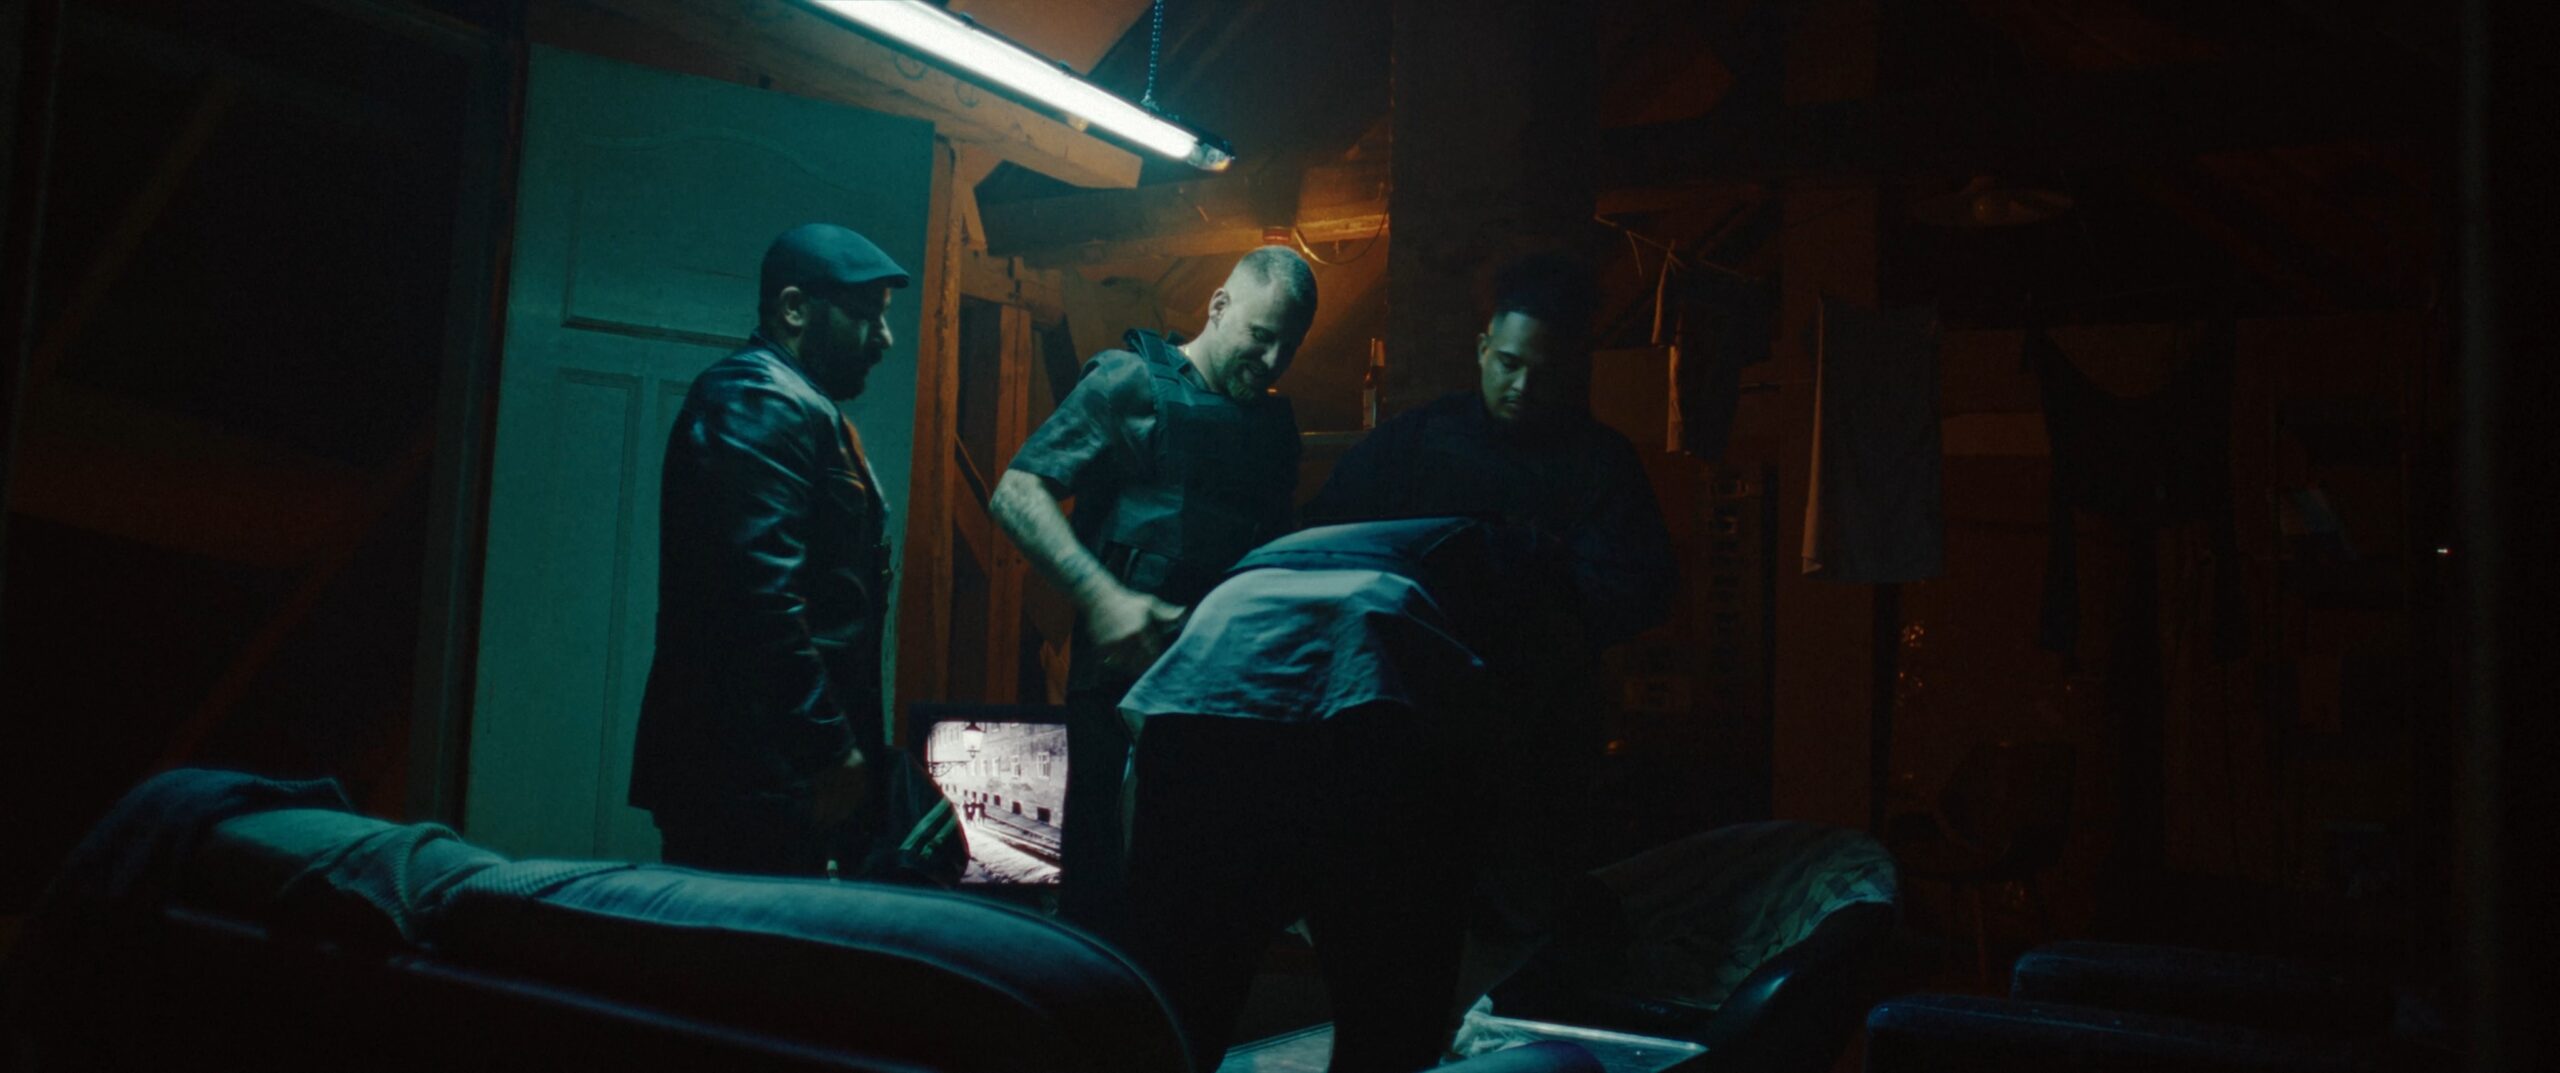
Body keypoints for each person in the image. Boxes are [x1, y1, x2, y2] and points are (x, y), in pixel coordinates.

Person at [1302, 252, 1679, 1021]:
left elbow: (1644, 590)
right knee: (1410, 937)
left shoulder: (1599, 463)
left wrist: (1531, 590)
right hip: (1418, 740)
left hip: (1542, 746)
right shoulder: (1415, 443)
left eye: (1543, 371)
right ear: (1482, 350)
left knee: (1532, 949)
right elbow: (1322, 539)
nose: (1522, 386)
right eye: (1508, 363)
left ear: (1570, 370)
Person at [1111, 516, 1583, 1073]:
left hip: (1209, 666)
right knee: (1386, 1035)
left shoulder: (1313, 546)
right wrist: (1448, 993)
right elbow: (1529, 793)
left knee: (1175, 1022)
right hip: (1373, 691)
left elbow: (1150, 779)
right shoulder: (1535, 580)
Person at [988, 245, 1318, 918]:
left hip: (1227, 709)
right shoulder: (1130, 382)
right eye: (1261, 335)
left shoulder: (1271, 432)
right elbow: (1017, 493)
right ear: (1219, 306)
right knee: (1106, 900)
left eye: (1289, 346)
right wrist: (1102, 595)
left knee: (1201, 911)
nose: (1272, 359)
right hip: (1122, 703)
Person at [627, 223, 908, 878]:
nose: (885, 338)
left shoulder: (793, 403)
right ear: (794, 308)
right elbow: (759, 597)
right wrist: (825, 747)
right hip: (754, 778)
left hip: (774, 774)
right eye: (865, 315)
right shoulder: (756, 398)